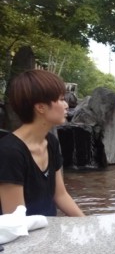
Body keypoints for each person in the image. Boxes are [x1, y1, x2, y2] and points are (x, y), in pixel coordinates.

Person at [0, 69, 85, 217]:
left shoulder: (50, 142)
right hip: (22, 237)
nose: (66, 105)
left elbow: (60, 196)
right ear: (40, 107)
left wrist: (88, 224)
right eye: (61, 99)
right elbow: (15, 221)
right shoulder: (9, 152)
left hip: (47, 233)